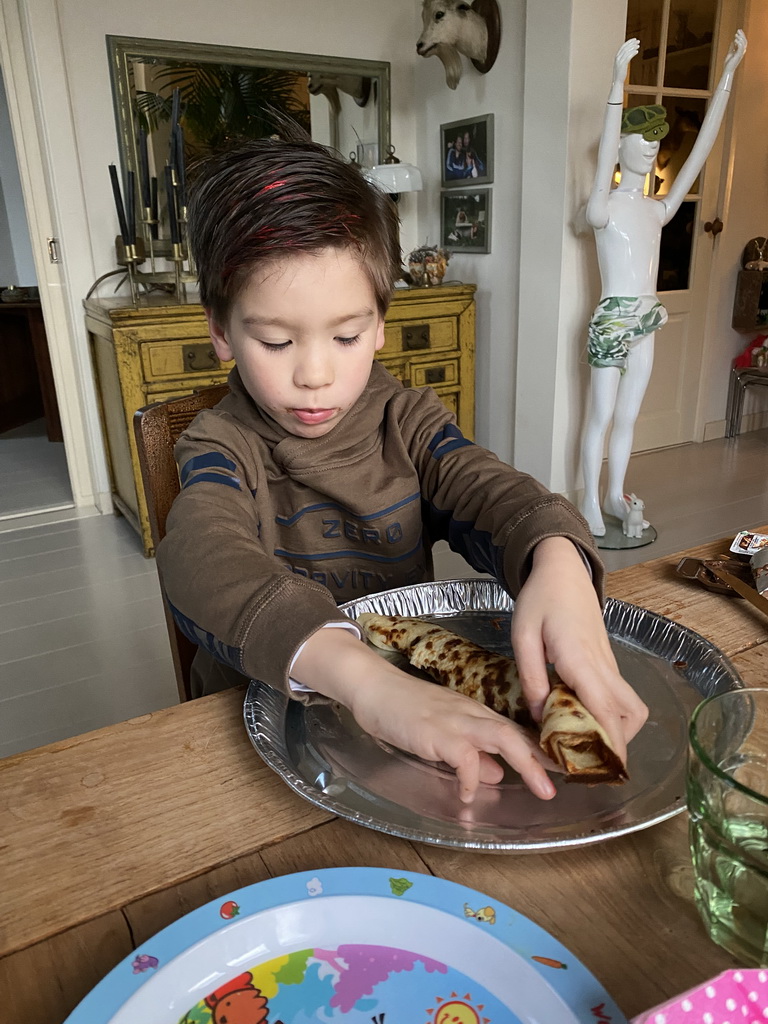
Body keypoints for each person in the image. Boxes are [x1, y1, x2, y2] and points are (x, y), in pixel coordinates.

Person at [157, 132, 647, 804]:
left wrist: (558, 562)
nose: (315, 374)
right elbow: (198, 553)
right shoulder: (220, 446)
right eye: (276, 340)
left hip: (410, 730)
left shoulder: (407, 424)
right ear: (220, 331)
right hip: (265, 735)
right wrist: (365, 681)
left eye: (347, 335)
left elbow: (489, 491)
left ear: (381, 322)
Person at [579, 31, 747, 538]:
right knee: (601, 415)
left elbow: (701, 151)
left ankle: (614, 491)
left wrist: (726, 80)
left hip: (648, 316)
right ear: (622, 147)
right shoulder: (602, 208)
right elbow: (606, 148)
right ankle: (588, 494)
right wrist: (616, 85)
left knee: (628, 416)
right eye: (642, 141)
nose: (651, 149)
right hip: (612, 320)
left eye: (655, 143)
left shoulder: (659, 208)